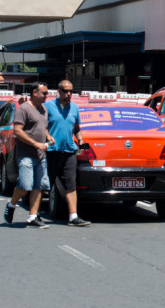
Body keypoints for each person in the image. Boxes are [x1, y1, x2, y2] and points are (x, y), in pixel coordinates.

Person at [4, 82, 55, 228]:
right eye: (44, 93)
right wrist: (35, 144)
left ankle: (33, 216)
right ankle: (11, 204)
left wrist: (48, 136)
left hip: (41, 155)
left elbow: (42, 127)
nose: (47, 96)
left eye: (47, 93)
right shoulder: (24, 109)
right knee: (25, 185)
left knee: (39, 186)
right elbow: (18, 131)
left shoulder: (43, 109)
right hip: (26, 154)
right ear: (34, 93)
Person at [46, 80, 90, 227]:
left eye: (71, 91)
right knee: (45, 183)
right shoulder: (49, 107)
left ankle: (73, 216)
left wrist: (80, 140)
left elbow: (76, 128)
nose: (69, 94)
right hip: (52, 151)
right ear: (58, 91)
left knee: (71, 184)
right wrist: (47, 136)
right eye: (65, 91)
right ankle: (35, 214)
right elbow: (42, 125)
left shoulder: (75, 108)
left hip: (69, 151)